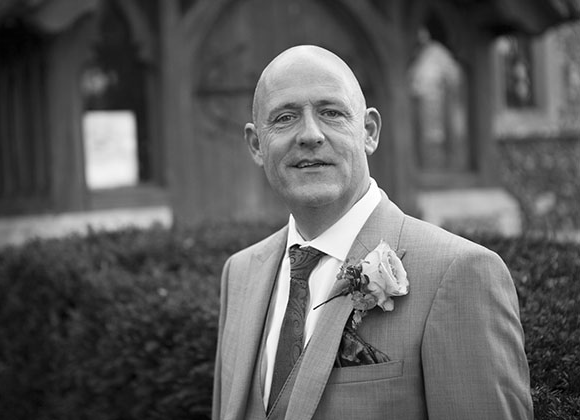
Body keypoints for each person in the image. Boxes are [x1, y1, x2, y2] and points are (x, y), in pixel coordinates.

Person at [212, 45, 533, 420]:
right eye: (284, 118)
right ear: (256, 145)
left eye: (331, 113)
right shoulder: (240, 274)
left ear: (369, 131)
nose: (310, 134)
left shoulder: (460, 273)